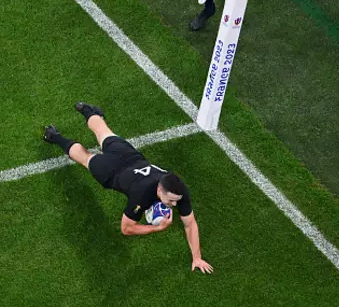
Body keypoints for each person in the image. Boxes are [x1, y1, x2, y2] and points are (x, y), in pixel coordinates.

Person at [43, 102, 214, 274]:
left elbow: (190, 224)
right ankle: (53, 136)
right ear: (158, 192)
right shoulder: (142, 196)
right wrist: (157, 228)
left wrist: (197, 257)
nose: (175, 205)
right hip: (111, 172)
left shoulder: (178, 190)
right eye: (170, 201)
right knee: (85, 158)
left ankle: (85, 110)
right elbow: (126, 228)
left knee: (103, 132)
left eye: (175, 201)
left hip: (129, 157)